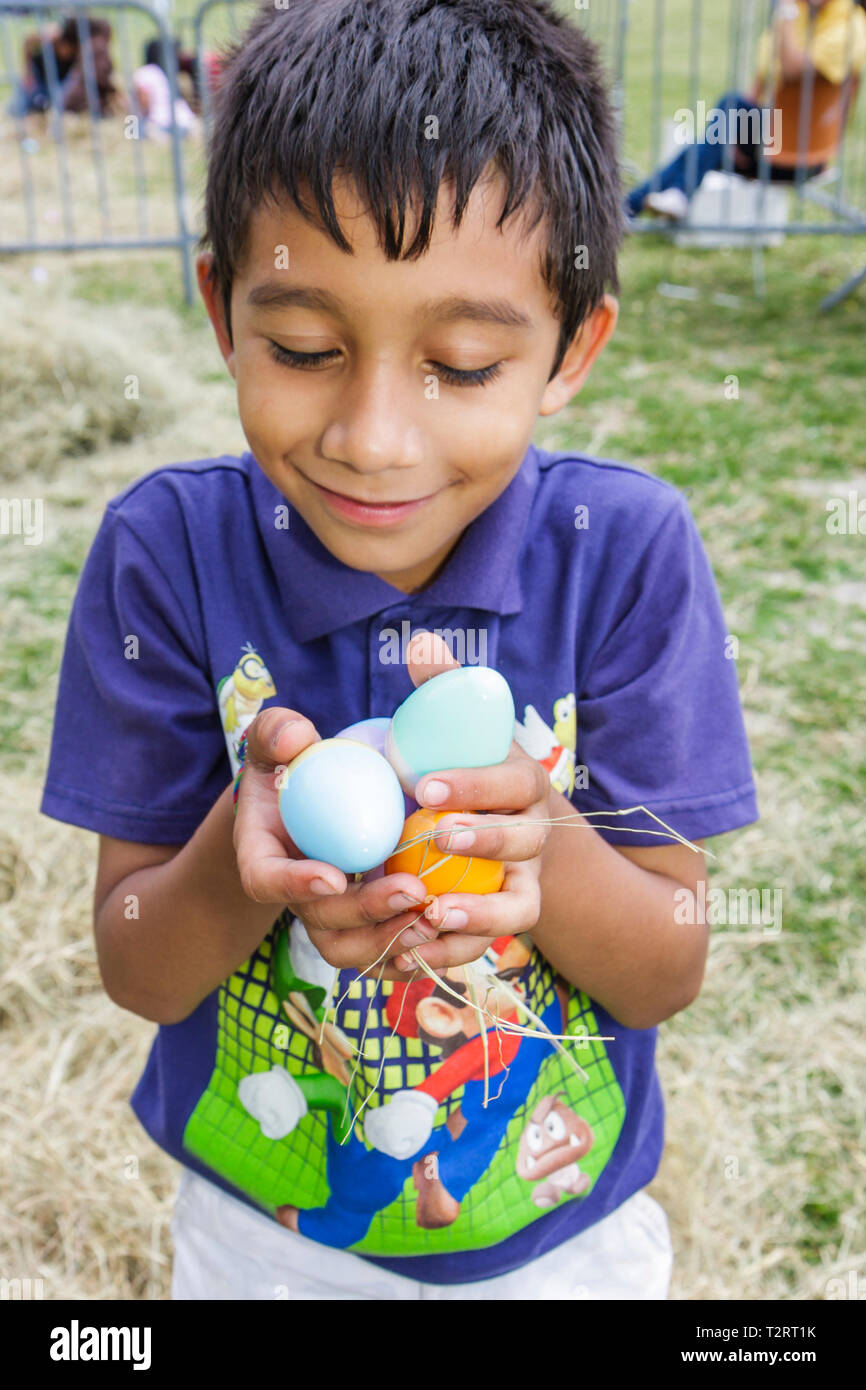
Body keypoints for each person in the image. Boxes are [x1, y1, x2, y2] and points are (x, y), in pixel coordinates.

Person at [41, 0, 759, 1300]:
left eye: (466, 363)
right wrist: (241, 858)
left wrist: (545, 836)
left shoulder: (625, 549)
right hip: (265, 1234)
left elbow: (666, 964)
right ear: (221, 309)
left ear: (569, 349)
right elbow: (139, 964)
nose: (374, 437)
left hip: (560, 1226)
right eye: (305, 348)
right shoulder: (167, 552)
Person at [626, 0, 866, 221]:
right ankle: (633, 208)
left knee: (725, 115)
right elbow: (761, 81)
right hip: (770, 144)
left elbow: (793, 70)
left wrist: (786, 13)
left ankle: (637, 206)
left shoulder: (850, 25)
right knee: (708, 143)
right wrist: (732, 136)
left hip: (804, 157)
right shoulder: (799, 15)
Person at [6, 16, 80, 118]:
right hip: (39, 72)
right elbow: (28, 40)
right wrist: (28, 73)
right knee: (18, 107)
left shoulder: (80, 43)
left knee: (60, 104)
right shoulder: (53, 35)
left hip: (61, 78)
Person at [132, 38, 198, 139]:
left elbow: (145, 104)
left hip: (160, 124)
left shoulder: (143, 73)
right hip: (185, 121)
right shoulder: (168, 73)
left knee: (132, 128)